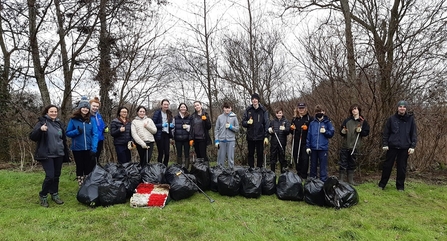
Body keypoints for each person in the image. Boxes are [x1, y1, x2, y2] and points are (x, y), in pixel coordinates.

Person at [30, 105, 70, 207]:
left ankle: (54, 194)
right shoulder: (42, 123)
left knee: (56, 175)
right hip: (47, 154)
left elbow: (63, 138)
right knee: (50, 176)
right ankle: (43, 195)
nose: (53, 113)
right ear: (47, 112)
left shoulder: (59, 123)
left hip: (59, 154)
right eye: (51, 111)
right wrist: (40, 130)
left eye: (55, 111)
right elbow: (32, 136)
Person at [379, 100, 417, 191]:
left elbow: (414, 133)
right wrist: (385, 144)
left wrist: (412, 146)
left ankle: (400, 186)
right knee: (387, 166)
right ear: (397, 108)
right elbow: (386, 133)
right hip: (392, 146)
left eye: (404, 107)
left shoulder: (410, 120)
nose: (402, 108)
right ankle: (382, 184)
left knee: (402, 167)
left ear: (406, 108)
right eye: (400, 106)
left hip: (405, 147)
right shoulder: (391, 119)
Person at [66, 97, 98, 186]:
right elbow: (68, 133)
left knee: (88, 167)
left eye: (87, 108)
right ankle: (81, 184)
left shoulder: (92, 120)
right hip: (77, 148)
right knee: (80, 166)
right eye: (83, 107)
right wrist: (76, 132)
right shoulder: (73, 120)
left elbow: (95, 134)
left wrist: (94, 148)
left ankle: (88, 184)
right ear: (80, 108)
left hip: (88, 147)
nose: (85, 109)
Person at [339, 104, 370, 185]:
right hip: (346, 145)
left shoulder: (363, 122)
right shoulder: (347, 120)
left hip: (356, 145)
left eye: (355, 109)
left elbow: (366, 133)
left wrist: (361, 131)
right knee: (343, 162)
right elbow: (341, 131)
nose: (354, 110)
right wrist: (343, 132)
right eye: (352, 109)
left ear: (359, 110)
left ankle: (350, 180)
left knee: (352, 163)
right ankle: (341, 180)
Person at [306, 105, 334, 182]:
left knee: (323, 167)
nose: (319, 113)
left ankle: (323, 182)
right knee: (313, 166)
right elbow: (309, 135)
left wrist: (325, 132)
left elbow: (331, 133)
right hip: (313, 148)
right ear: (315, 113)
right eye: (317, 112)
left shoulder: (327, 122)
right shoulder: (312, 123)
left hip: (323, 148)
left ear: (323, 112)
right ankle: (312, 182)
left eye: (321, 111)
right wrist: (308, 146)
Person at [242, 93, 269, 168]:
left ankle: (259, 169)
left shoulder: (263, 110)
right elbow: (243, 122)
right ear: (251, 100)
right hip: (250, 136)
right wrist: (247, 122)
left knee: (260, 154)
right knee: (250, 154)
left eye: (256, 99)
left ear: (258, 100)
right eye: (253, 99)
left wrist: (266, 136)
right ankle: (251, 169)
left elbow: (266, 123)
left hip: (260, 136)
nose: (254, 100)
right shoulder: (248, 110)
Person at [290, 103, 313, 179]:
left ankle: (304, 175)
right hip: (296, 141)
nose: (301, 110)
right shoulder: (294, 119)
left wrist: (307, 127)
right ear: (297, 109)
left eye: (302, 108)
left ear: (305, 109)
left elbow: (312, 130)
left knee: (305, 158)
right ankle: (298, 173)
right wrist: (292, 128)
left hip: (305, 142)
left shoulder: (309, 118)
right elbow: (291, 131)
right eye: (300, 108)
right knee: (296, 157)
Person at [214, 102, 240, 169]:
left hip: (231, 141)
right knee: (220, 159)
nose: (227, 110)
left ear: (231, 108)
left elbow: (237, 129)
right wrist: (216, 140)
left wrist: (231, 127)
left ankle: (231, 173)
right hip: (221, 140)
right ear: (223, 108)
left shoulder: (234, 117)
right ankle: (219, 173)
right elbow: (216, 129)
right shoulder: (220, 117)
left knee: (230, 159)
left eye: (228, 108)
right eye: (226, 108)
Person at [268, 107, 290, 173]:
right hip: (274, 142)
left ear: (282, 113)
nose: (279, 114)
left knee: (282, 159)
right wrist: (270, 131)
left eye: (280, 113)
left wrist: (285, 130)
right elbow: (269, 131)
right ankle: (272, 174)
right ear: (275, 114)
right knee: (273, 159)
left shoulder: (286, 121)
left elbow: (288, 132)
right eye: (277, 113)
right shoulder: (273, 121)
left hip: (282, 142)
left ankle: (282, 174)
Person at [153, 99, 174, 166]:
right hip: (160, 134)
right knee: (161, 152)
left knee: (167, 153)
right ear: (161, 105)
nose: (166, 106)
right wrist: (161, 125)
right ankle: (159, 167)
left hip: (167, 135)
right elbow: (153, 124)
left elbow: (170, 124)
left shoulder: (169, 113)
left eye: (167, 104)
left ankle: (165, 166)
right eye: (165, 104)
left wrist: (171, 126)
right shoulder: (157, 113)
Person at [173, 103, 192, 169]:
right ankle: (179, 168)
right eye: (181, 107)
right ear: (179, 108)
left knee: (187, 154)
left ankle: (186, 168)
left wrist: (188, 127)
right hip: (178, 139)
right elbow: (173, 128)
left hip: (186, 139)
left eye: (184, 107)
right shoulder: (175, 117)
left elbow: (192, 128)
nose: (183, 108)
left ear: (186, 108)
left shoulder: (189, 117)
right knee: (179, 154)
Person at [89, 97, 107, 162]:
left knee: (97, 158)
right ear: (90, 105)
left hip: (100, 139)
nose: (95, 108)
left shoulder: (98, 115)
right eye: (94, 106)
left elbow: (102, 126)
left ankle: (96, 170)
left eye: (97, 106)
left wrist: (105, 128)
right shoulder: (87, 116)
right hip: (91, 140)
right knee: (91, 160)